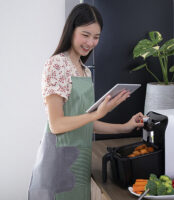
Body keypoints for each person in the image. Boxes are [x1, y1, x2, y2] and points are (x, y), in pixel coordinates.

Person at [28, 3, 144, 200]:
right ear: (71, 30)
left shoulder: (84, 70)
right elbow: (56, 125)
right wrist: (99, 112)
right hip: (58, 166)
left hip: (80, 164)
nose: (90, 42)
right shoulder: (57, 65)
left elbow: (84, 124)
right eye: (85, 34)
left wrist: (125, 127)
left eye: (96, 37)